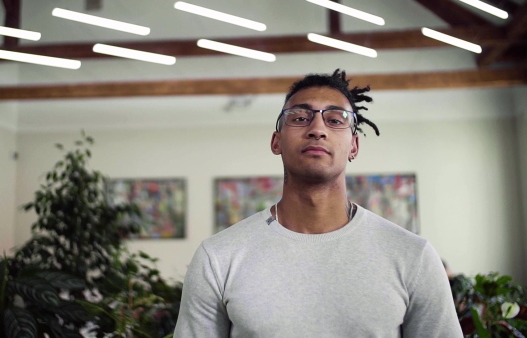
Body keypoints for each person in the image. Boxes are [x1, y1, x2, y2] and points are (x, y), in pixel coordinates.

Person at [174, 69, 462, 337]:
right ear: (276, 142)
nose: (317, 129)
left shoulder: (414, 256)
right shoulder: (218, 257)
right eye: (300, 118)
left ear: (354, 146)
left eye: (335, 120)